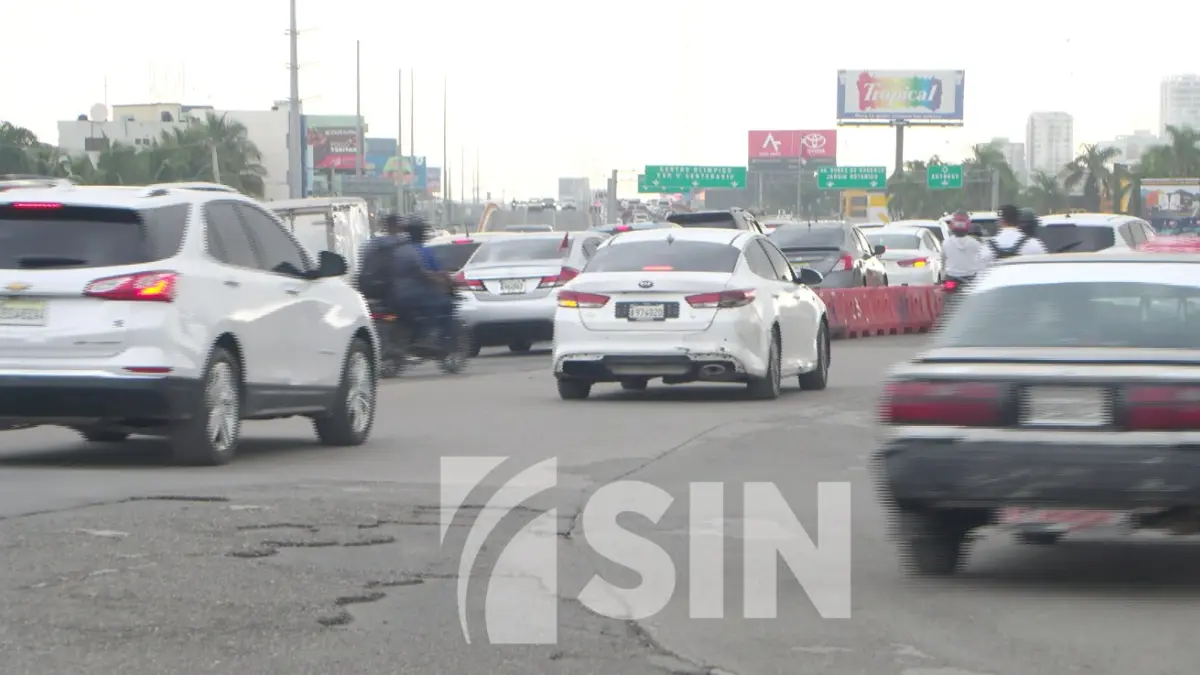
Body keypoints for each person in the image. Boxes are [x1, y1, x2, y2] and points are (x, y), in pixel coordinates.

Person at [977, 205, 1047, 265]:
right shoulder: (1034, 244)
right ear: (1019, 220)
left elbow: (980, 273)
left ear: (1000, 221)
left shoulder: (987, 247)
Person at [941, 210, 983, 281]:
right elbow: (981, 262)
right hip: (971, 278)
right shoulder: (976, 244)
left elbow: (943, 263)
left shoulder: (946, 243)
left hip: (951, 277)